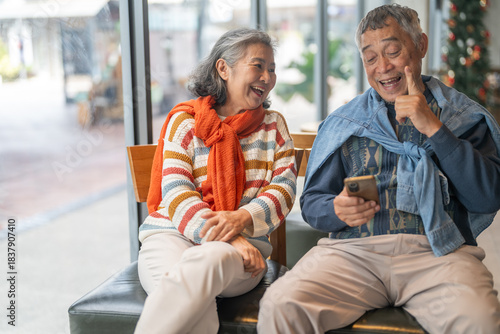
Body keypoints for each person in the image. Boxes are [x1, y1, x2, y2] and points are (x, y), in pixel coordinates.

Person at [258, 4, 500, 334]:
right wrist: (337, 209)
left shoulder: (463, 117)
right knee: (281, 306)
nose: (383, 67)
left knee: (479, 319)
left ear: (421, 46)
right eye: (370, 57)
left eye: (393, 51)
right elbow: (314, 204)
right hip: (352, 253)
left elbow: (486, 198)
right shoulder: (346, 122)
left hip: (439, 254)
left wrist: (433, 128)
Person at [134, 28, 296, 334]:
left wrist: (241, 220)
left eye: (271, 69)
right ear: (223, 68)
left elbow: (284, 189)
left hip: (243, 253)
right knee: (195, 306)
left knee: (206, 262)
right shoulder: (185, 122)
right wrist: (228, 233)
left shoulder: (274, 127)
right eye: (258, 65)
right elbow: (177, 193)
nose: (267, 77)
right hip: (170, 236)